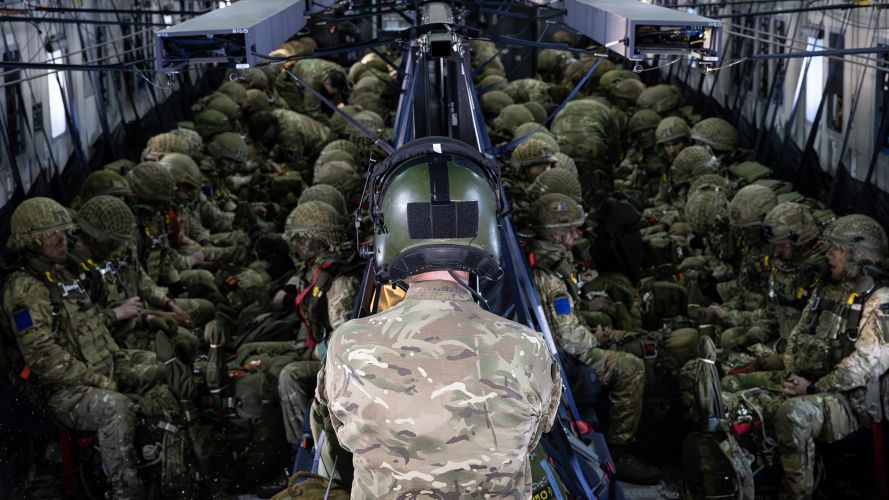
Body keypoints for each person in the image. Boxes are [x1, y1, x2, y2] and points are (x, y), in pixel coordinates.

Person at [316, 137, 561, 497]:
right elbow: (536, 433)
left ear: (389, 233)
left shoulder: (348, 345)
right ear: (486, 229)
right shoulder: (527, 348)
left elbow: (338, 430)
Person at [2, 198, 152, 500]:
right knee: (116, 408)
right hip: (61, 392)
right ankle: (126, 492)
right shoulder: (25, 289)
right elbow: (43, 358)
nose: (61, 239)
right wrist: (100, 381)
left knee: (153, 368)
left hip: (94, 373)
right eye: (50, 234)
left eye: (63, 231)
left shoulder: (65, 274)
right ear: (30, 241)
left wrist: (120, 363)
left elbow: (95, 323)